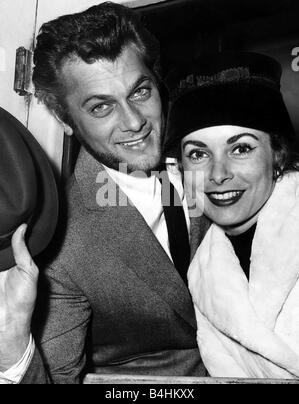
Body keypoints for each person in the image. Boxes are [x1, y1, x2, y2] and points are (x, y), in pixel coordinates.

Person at [0, 2, 207, 384]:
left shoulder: (208, 151)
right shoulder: (63, 244)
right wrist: (12, 347)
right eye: (101, 107)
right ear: (64, 119)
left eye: (141, 92)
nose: (134, 123)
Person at [167, 51, 299, 379]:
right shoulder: (203, 273)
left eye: (241, 149)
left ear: (277, 156)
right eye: (198, 154)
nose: (218, 174)